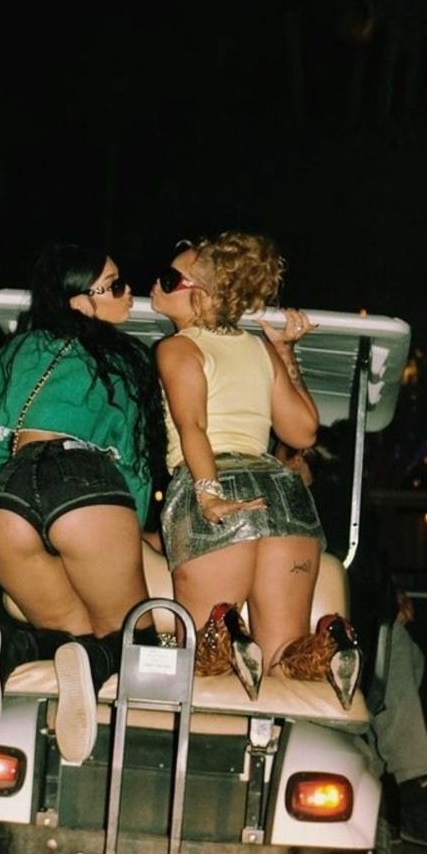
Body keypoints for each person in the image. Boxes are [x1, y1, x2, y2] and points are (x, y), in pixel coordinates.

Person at [0, 242, 166, 764]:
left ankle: (9, 649)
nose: (129, 293)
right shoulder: (123, 359)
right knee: (137, 641)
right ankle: (91, 667)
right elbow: (137, 463)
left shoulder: (13, 353)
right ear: (80, 302)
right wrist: (132, 523)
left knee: (65, 636)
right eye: (115, 286)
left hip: (5, 500)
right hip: (84, 482)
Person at [280, 434, 427, 853]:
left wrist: (388, 596)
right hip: (287, 638)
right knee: (391, 646)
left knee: (401, 648)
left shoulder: (329, 506)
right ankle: (412, 787)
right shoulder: (274, 502)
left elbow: (358, 565)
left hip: (329, 627)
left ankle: (397, 786)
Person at [150, 231, 329, 691]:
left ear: (203, 296)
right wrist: (286, 352)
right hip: (284, 497)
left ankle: (223, 632)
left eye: (169, 278)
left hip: (217, 485)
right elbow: (304, 431)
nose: (155, 283)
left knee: (200, 664)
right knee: (282, 659)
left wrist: (209, 496)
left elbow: (193, 426)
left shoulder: (178, 347)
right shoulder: (259, 348)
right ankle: (323, 645)